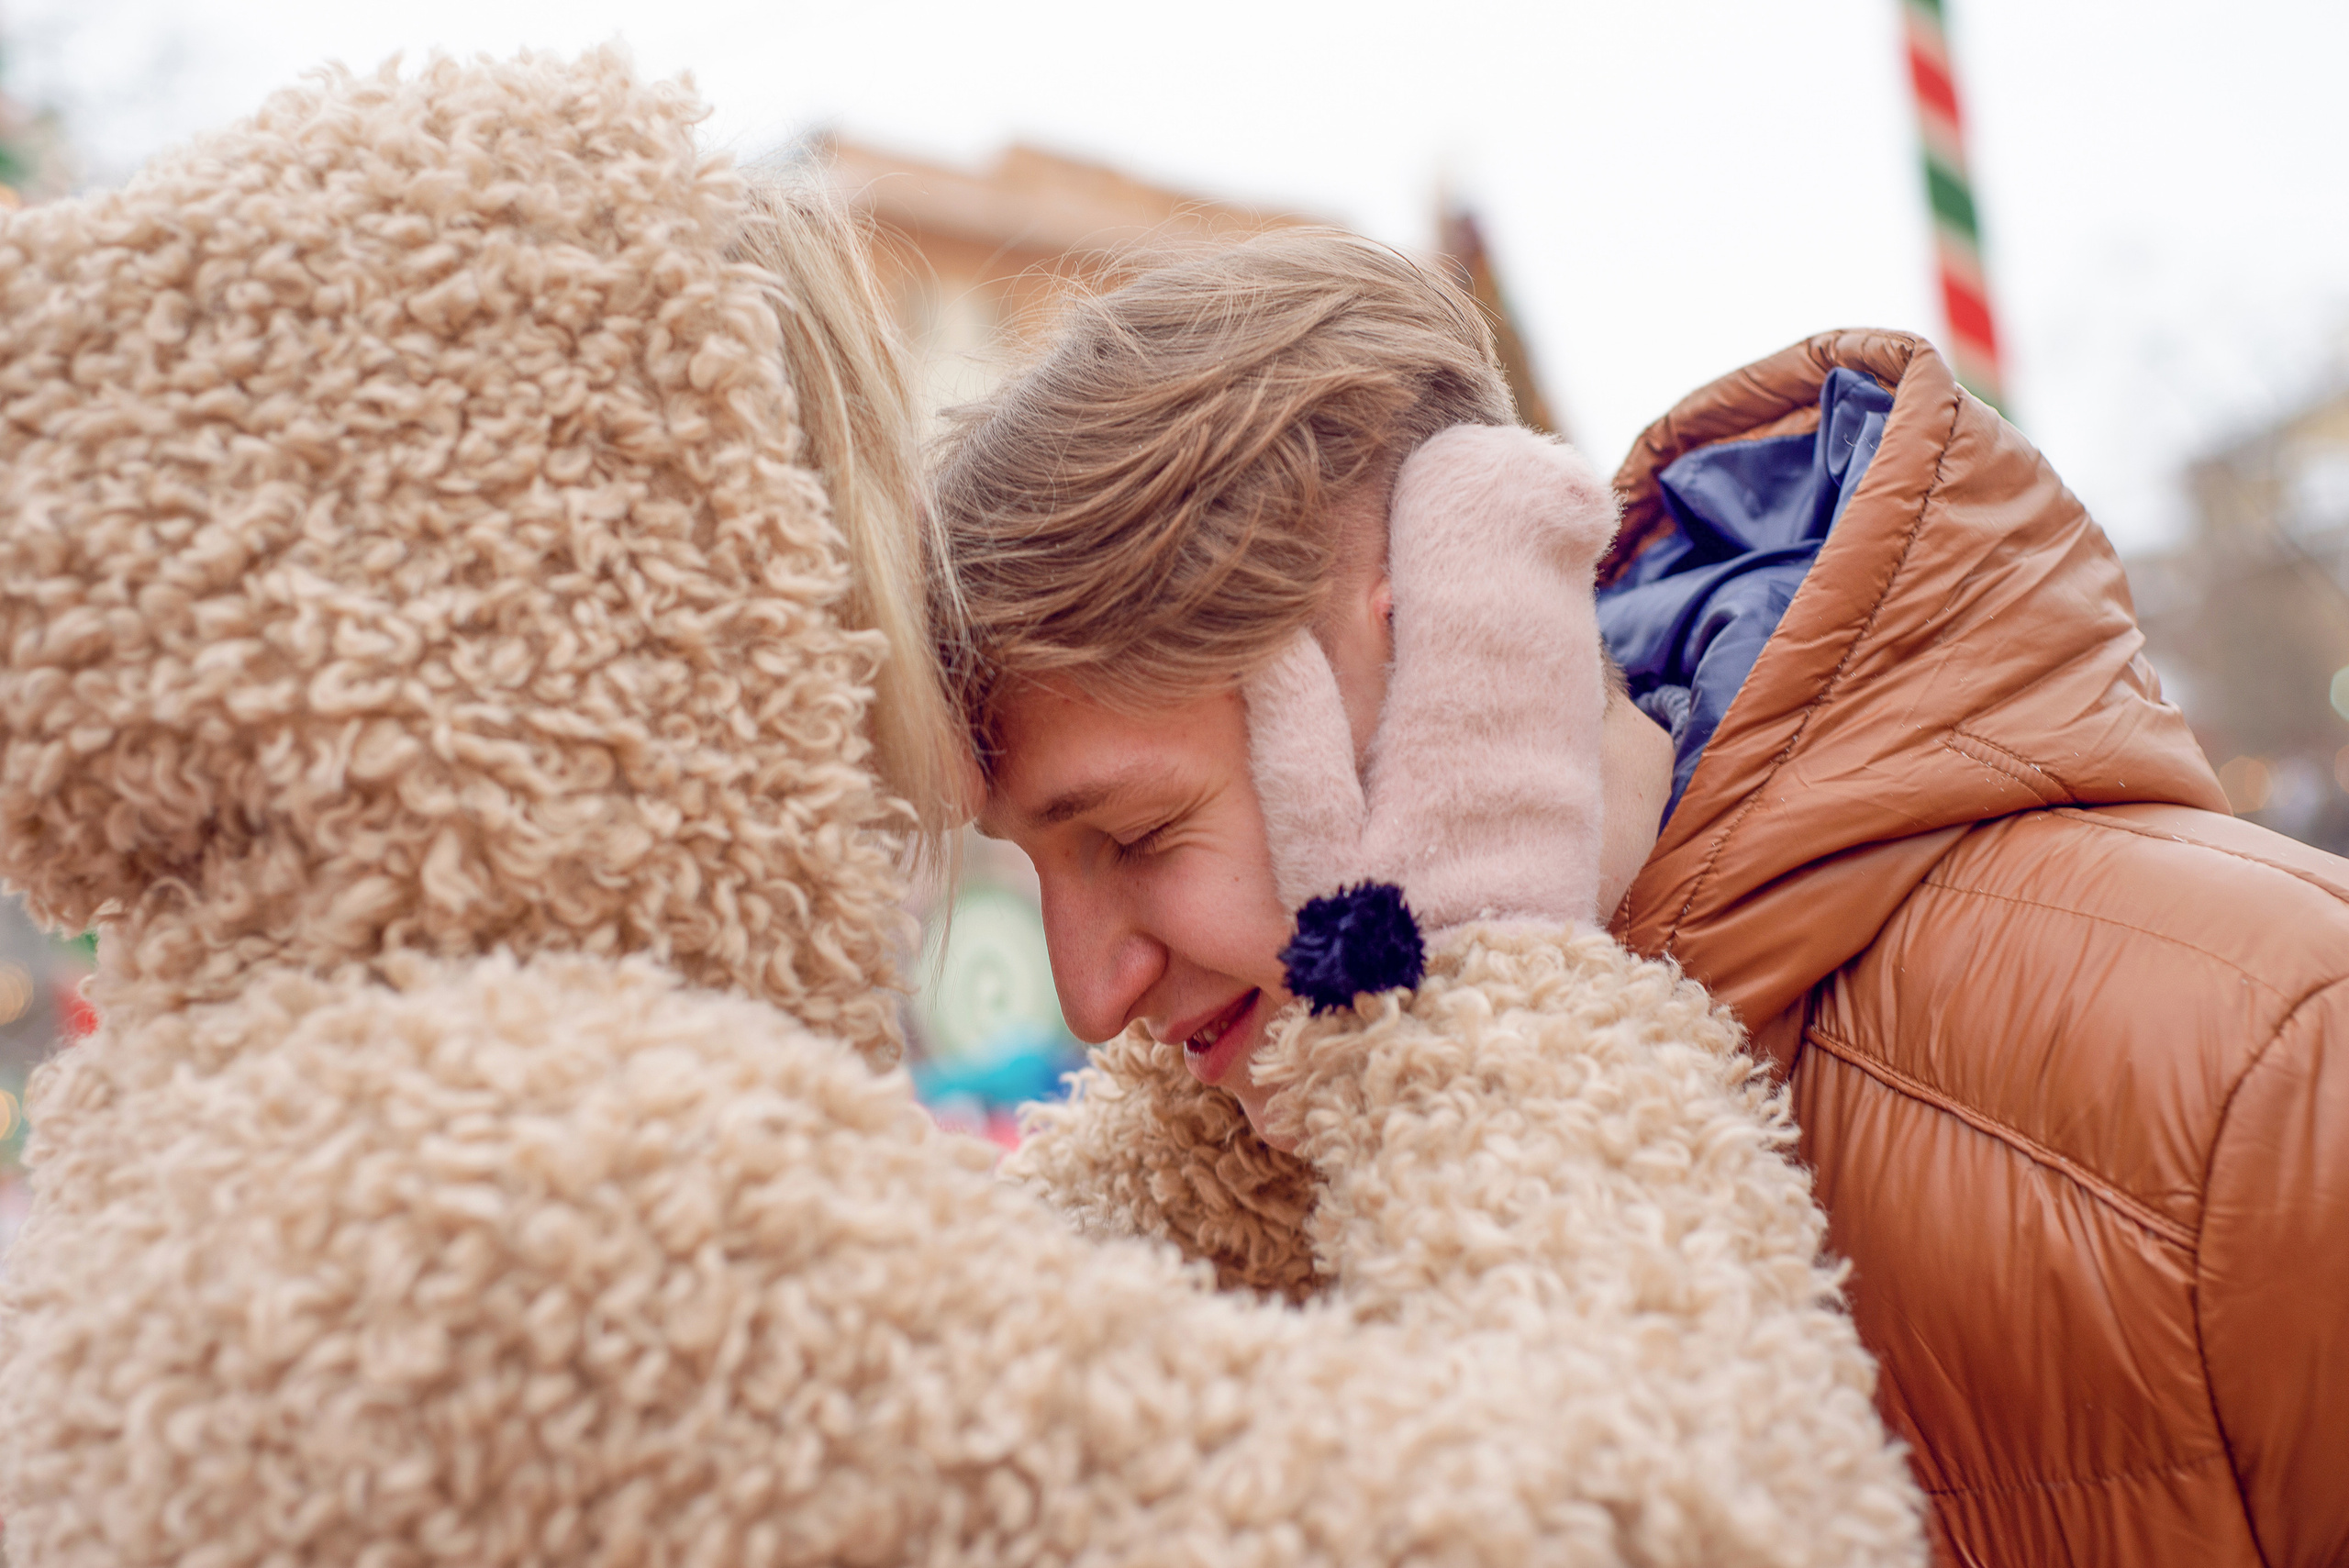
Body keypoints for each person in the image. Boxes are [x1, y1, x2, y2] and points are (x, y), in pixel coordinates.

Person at [0, 53, 1923, 1566]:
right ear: (645, 614)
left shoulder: (231, 1133)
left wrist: (1285, 1019)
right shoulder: (546, 1193)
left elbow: (1043, 1335)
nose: (851, 706)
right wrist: (1472, 940)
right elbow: (1684, 1518)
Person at [933, 232, 2349, 1568]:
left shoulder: (2270, 1070)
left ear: (1452, 638)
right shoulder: (1203, 1223)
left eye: (1134, 834)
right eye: (1032, 871)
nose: (1087, 995)